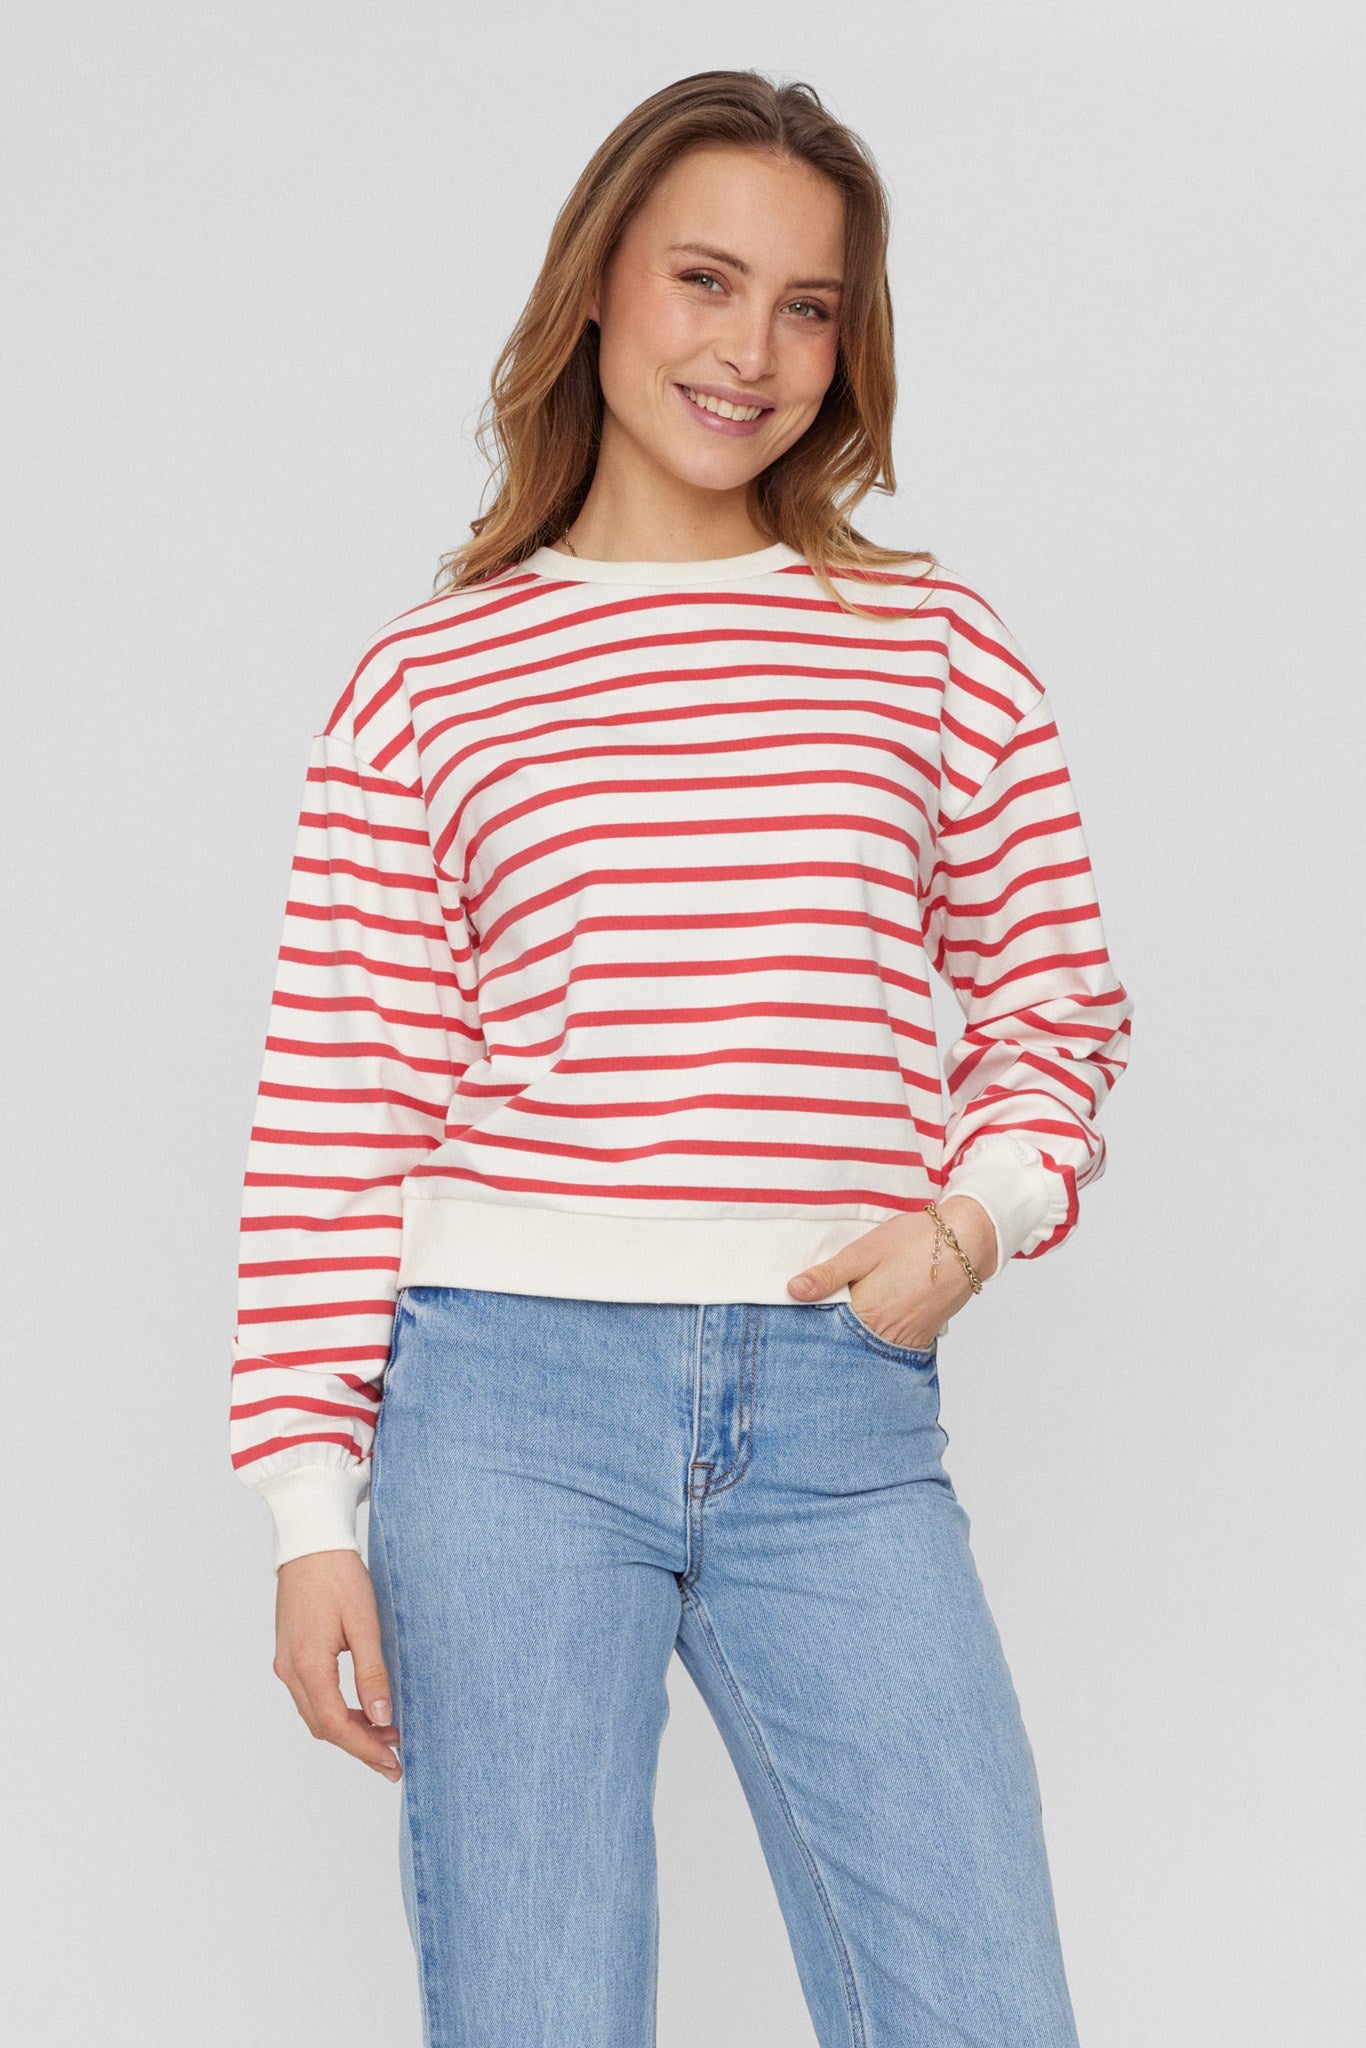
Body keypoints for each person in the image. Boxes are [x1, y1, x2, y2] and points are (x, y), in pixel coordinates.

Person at [230, 68, 1133, 2047]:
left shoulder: (929, 646)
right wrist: (308, 1511)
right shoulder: (429, 678)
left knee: (978, 2006)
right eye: (704, 281)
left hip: (836, 1405)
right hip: (503, 1410)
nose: (750, 351)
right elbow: (339, 1105)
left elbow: (1056, 1004)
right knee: (538, 2009)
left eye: (807, 305)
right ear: (596, 287)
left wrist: (968, 1229)